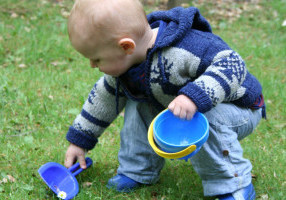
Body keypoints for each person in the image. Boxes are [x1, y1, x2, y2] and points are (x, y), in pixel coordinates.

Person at [64, 0, 266, 199]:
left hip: (238, 109)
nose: (92, 65)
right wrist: (79, 141)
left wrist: (195, 96)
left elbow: (233, 64)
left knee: (205, 116)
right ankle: (138, 170)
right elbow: (101, 100)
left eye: (97, 59)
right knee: (138, 102)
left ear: (126, 47)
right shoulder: (125, 68)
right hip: (187, 106)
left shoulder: (187, 48)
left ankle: (233, 183)